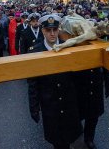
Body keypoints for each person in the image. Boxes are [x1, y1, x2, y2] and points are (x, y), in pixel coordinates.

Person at [27, 14, 82, 149]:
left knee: (69, 138)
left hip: (68, 103)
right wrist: (34, 108)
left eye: (55, 30)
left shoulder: (68, 47)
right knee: (56, 140)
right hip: (50, 105)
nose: (52, 34)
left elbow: (76, 77)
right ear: (43, 31)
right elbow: (32, 83)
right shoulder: (36, 52)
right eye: (48, 30)